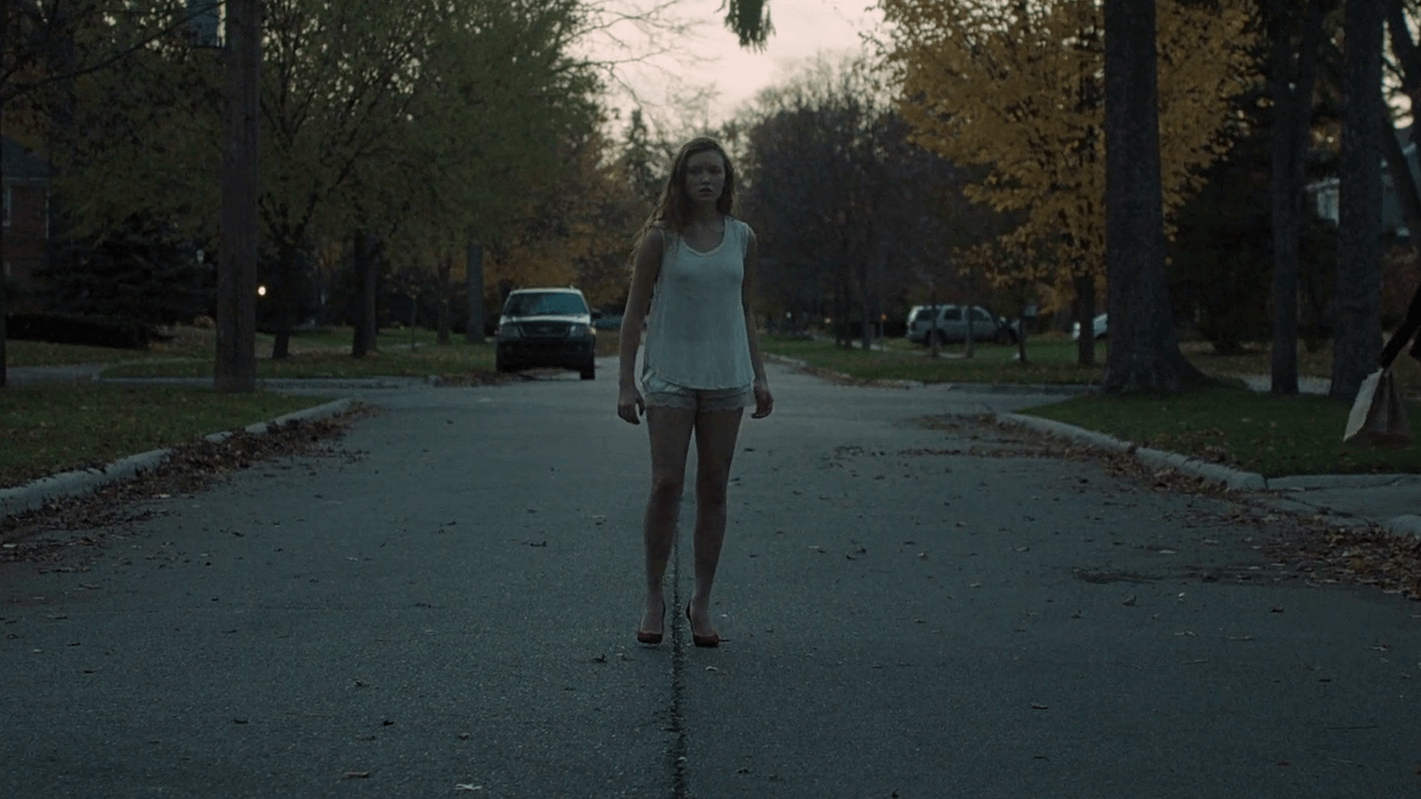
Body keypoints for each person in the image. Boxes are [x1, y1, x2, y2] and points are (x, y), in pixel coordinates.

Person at [616, 137, 773, 648]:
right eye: (696, 171)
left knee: (715, 487)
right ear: (681, 180)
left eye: (715, 171)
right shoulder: (661, 239)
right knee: (666, 484)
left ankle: (701, 600)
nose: (706, 179)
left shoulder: (743, 238)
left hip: (727, 377)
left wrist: (759, 375)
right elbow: (634, 312)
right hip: (670, 376)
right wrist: (625, 382)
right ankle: (653, 595)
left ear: (727, 179)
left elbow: (744, 309)